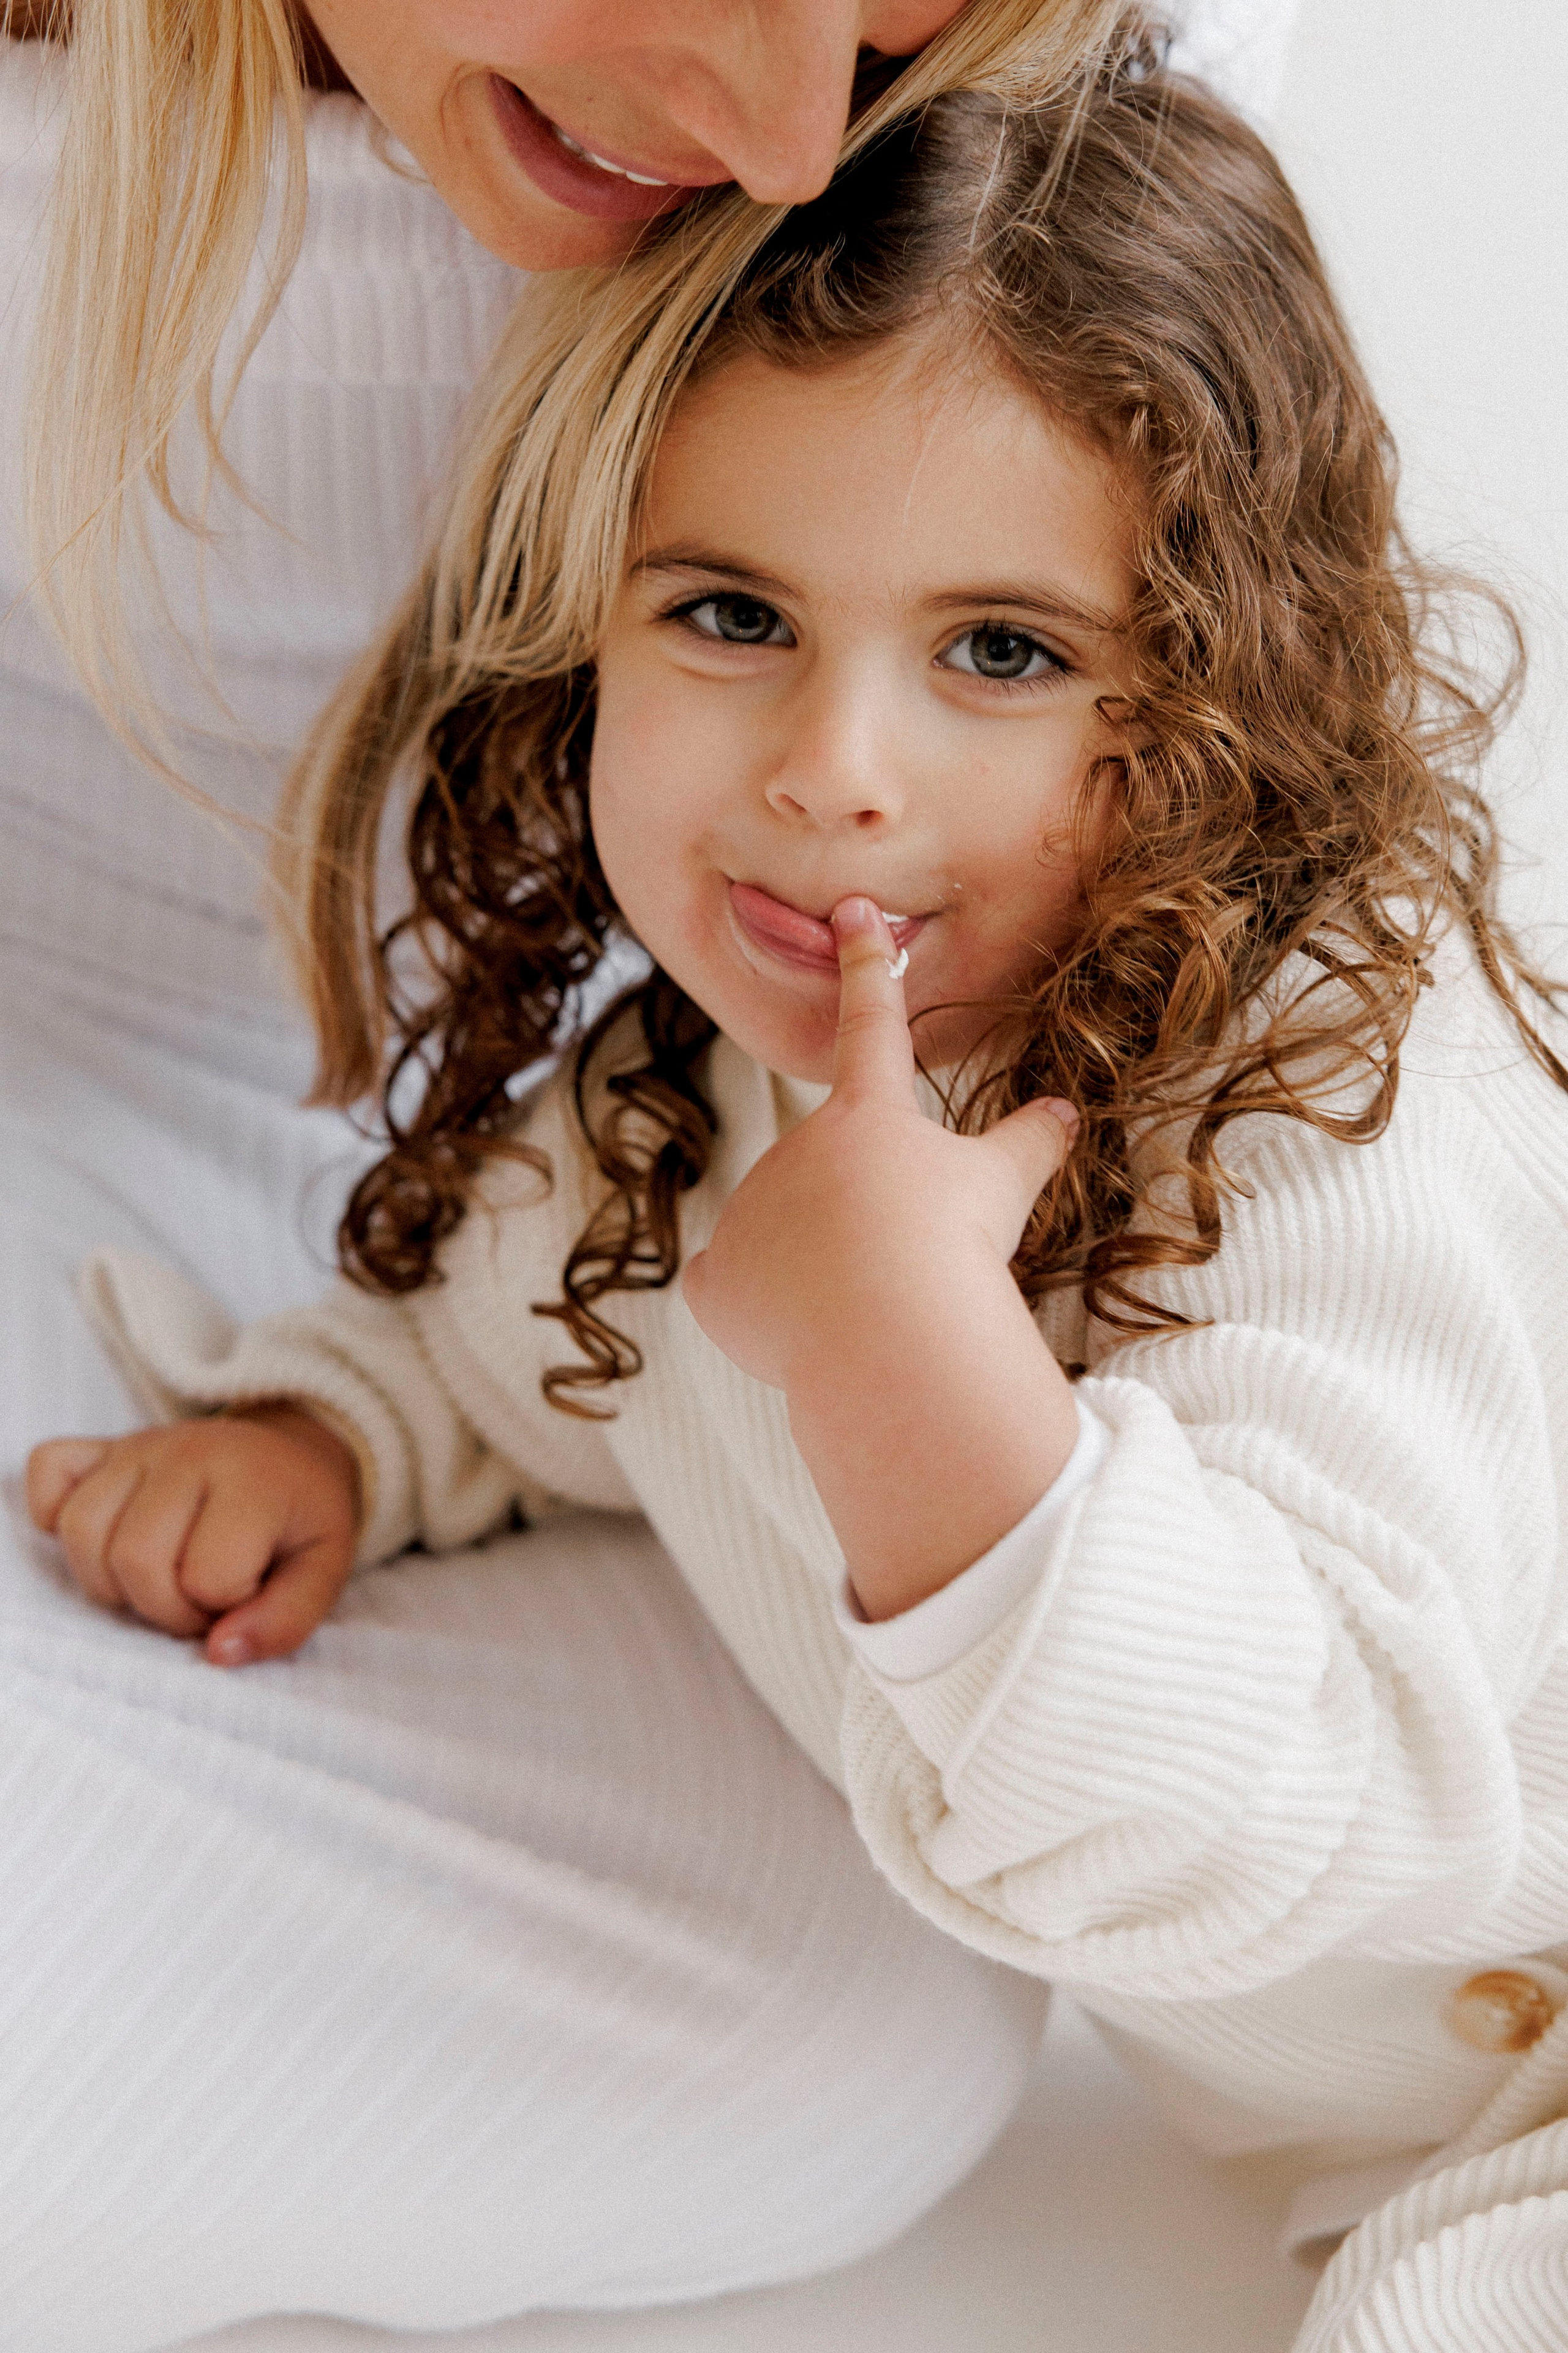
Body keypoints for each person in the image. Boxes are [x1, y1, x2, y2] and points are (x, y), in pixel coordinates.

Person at [29, 37, 1568, 2353]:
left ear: (1224, 699)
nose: (835, 772)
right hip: (1410, 2149)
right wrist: (327, 1432)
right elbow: (519, 1340)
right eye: (730, 617)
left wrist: (921, 1387)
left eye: (1002, 653)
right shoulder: (692, 1112)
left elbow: (1326, 1808)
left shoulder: (1325, 1107)